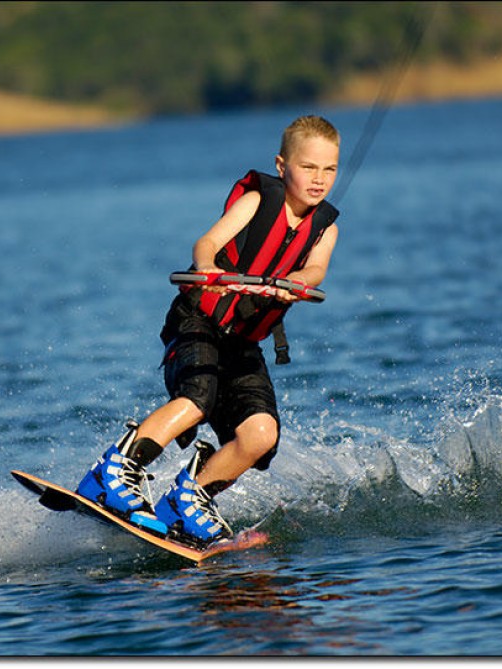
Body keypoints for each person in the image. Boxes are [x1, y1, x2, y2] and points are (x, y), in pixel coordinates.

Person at [77, 115, 341, 547]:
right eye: (308, 167)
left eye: (329, 169)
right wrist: (207, 267)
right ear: (281, 165)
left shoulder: (325, 228)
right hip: (199, 318)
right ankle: (114, 471)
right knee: (199, 398)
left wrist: (298, 284)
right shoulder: (258, 201)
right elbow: (207, 242)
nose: (319, 179)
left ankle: (190, 498)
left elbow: (314, 269)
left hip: (243, 340)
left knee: (260, 434)